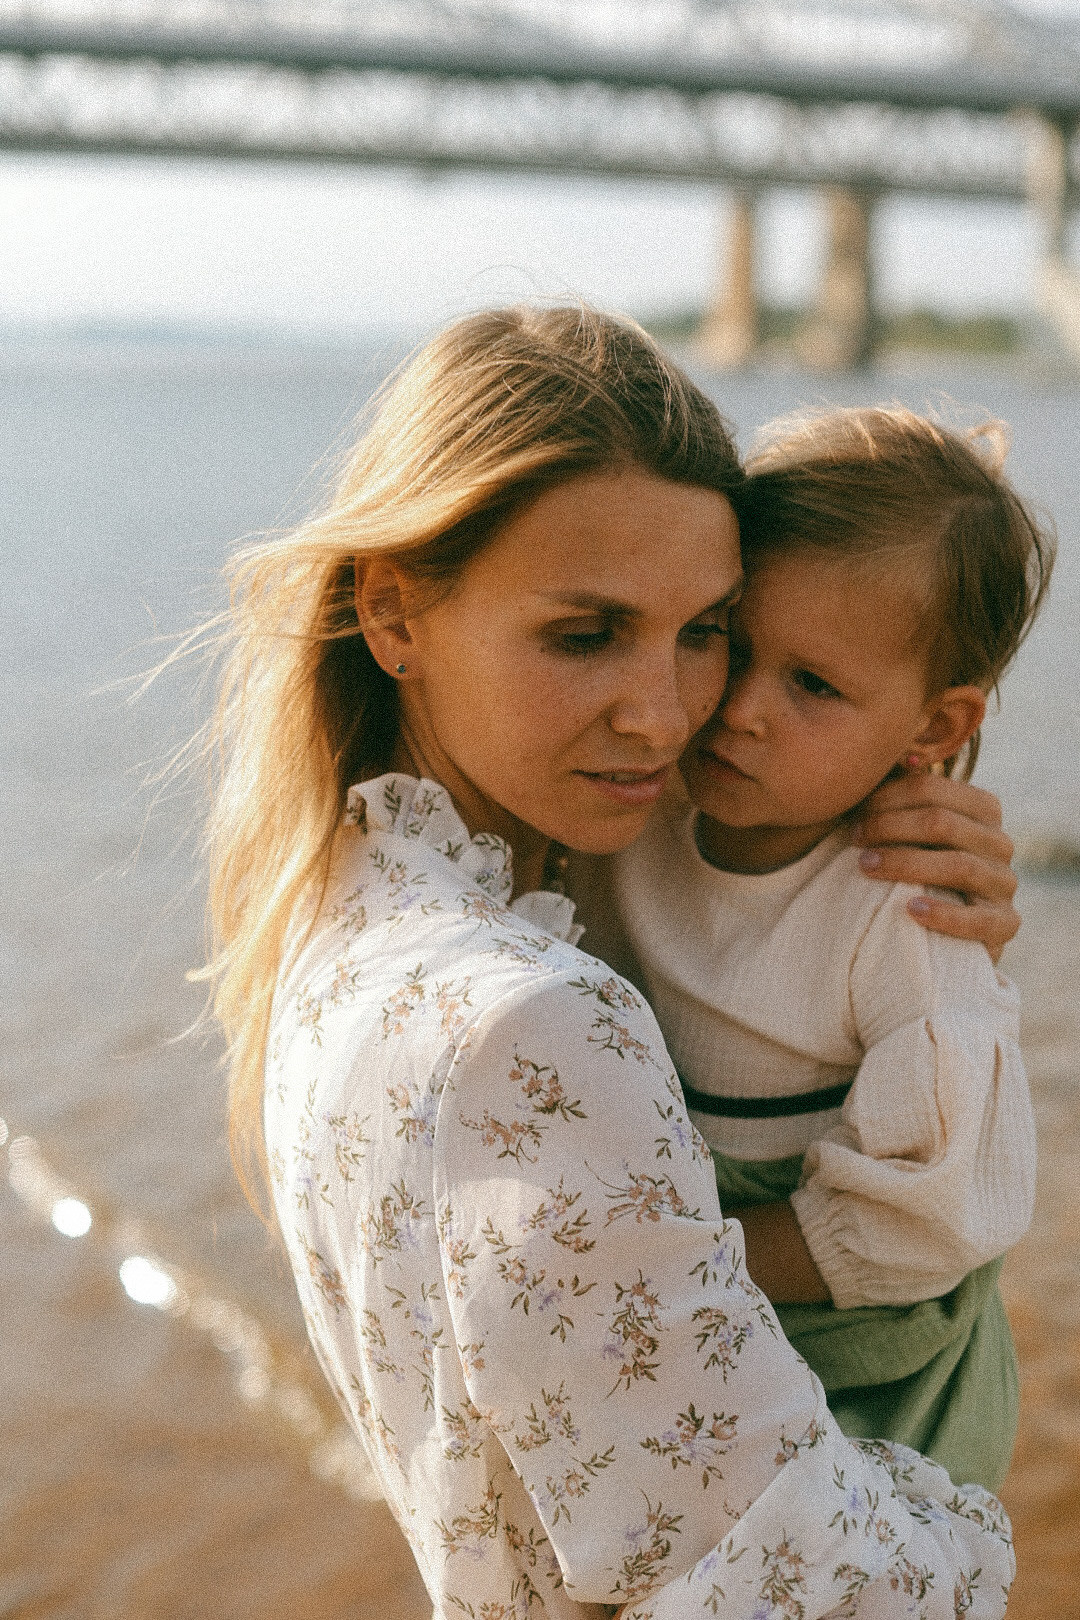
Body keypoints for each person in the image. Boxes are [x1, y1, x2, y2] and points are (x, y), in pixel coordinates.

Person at [203, 307, 1022, 1619]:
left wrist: (867, 856)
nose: (675, 714)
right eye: (586, 635)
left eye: (703, 628)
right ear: (393, 609)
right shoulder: (533, 1026)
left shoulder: (340, 908)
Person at [610, 406, 1052, 1495]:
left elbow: (943, 1207)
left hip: (864, 1377)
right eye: (726, 640)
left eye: (813, 685)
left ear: (936, 729)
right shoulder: (629, 812)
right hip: (700, 1310)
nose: (738, 711)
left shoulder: (905, 915)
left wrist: (657, 1260)